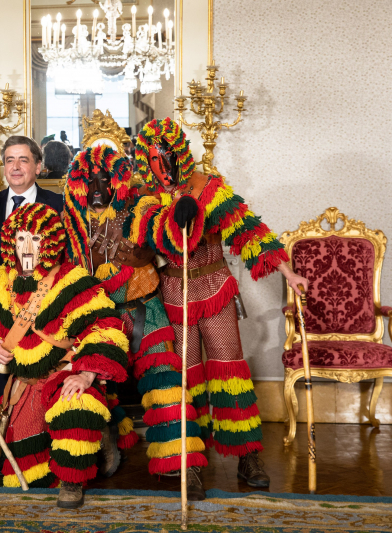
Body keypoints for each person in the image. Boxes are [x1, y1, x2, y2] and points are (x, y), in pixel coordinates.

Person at [130, 117, 308, 487]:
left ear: (179, 151)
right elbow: (152, 242)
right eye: (152, 155)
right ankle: (189, 461)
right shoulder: (145, 198)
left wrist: (288, 273)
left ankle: (247, 457)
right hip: (173, 294)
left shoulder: (209, 187)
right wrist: (172, 215)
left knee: (229, 371)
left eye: (165, 153)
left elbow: (249, 230)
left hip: (214, 288)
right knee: (185, 375)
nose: (160, 162)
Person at [63, 144, 208, 499]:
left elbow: (167, 233)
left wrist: (174, 224)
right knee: (86, 379)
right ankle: (91, 456)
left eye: (105, 178)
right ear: (81, 183)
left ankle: (182, 459)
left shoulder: (140, 206)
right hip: (97, 316)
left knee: (167, 381)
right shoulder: (71, 220)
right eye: (90, 180)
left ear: (118, 179)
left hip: (146, 306)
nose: (98, 187)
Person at [0, 203, 129, 509]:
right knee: (26, 479)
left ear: (50, 243)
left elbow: (106, 326)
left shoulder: (73, 279)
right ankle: (81, 450)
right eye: (21, 238)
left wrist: (86, 374)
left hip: (64, 376)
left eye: (36, 239)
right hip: (24, 387)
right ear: (11, 241)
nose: (27, 248)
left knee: (76, 405)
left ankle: (73, 481)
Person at [0, 135, 63, 476]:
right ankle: (8, 449)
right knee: (8, 382)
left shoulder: (58, 203)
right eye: (9, 160)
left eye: (23, 160)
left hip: (46, 306)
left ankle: (52, 448)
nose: (15, 167)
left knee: (46, 377)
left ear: (38, 166)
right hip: (6, 306)